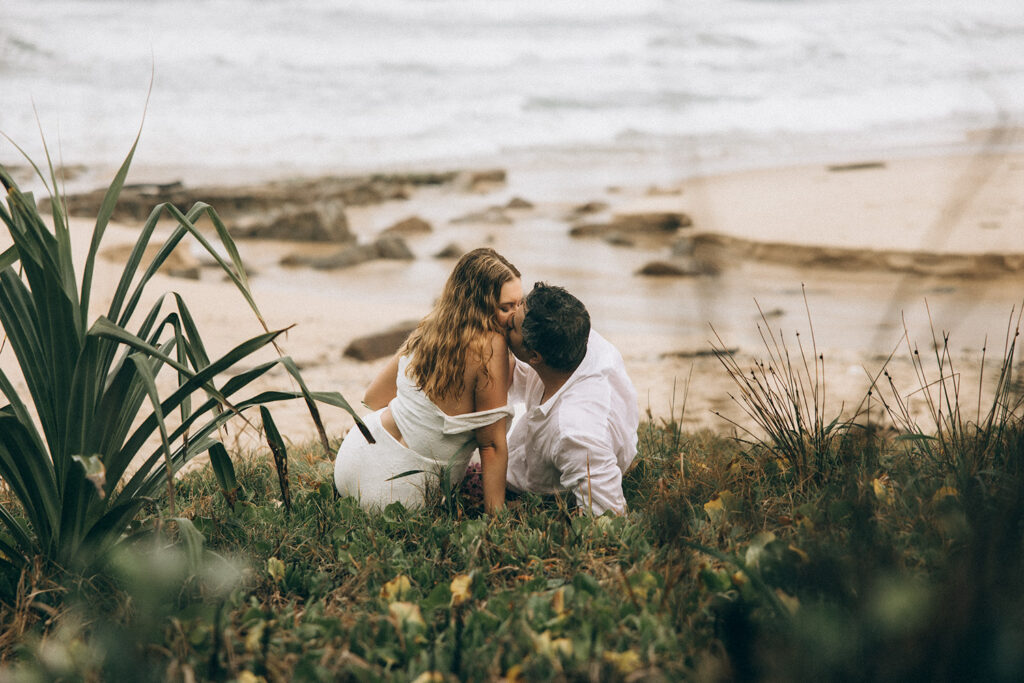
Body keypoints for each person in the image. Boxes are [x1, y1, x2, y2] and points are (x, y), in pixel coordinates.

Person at [334, 248, 522, 513]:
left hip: (352, 460)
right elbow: (491, 446)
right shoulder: (492, 347)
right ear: (479, 305)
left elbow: (373, 398)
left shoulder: (431, 327)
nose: (516, 316)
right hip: (396, 494)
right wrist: (496, 517)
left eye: (519, 304)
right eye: (506, 307)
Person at [505, 283, 639, 515]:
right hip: (550, 444)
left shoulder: (574, 431)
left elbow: (607, 516)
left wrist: (546, 514)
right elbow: (517, 376)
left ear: (535, 356)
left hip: (549, 486)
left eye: (512, 327)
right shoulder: (576, 338)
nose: (505, 324)